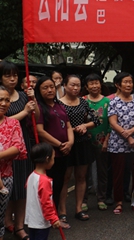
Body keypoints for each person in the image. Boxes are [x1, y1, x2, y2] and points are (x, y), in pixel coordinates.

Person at [1, 60, 39, 240]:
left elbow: (36, 115)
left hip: (22, 143)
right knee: (7, 187)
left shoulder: (24, 95)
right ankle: (6, 221)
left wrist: (33, 99)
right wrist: (24, 112)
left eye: (15, 75)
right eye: (7, 75)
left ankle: (19, 225)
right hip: (4, 145)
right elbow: (4, 120)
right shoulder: (1, 96)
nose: (12, 79)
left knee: (22, 186)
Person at [58, 75, 98, 223]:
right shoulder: (58, 104)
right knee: (65, 178)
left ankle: (79, 209)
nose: (75, 88)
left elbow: (95, 120)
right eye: (72, 85)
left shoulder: (83, 102)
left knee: (81, 177)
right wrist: (71, 131)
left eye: (78, 85)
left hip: (82, 143)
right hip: (66, 143)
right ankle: (62, 211)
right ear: (64, 85)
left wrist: (84, 126)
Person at [35, 76, 73, 224]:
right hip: (51, 154)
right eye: (45, 88)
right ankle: (47, 218)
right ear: (39, 90)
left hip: (64, 151)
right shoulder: (38, 107)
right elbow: (40, 131)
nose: (50, 90)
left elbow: (68, 125)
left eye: (51, 86)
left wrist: (70, 142)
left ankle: (55, 216)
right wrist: (60, 144)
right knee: (48, 187)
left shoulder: (59, 105)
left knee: (59, 185)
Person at [107, 72, 134, 215]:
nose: (129, 85)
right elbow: (113, 123)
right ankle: (118, 201)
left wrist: (131, 132)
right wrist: (128, 137)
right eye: (125, 82)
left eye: (130, 82)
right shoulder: (113, 102)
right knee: (118, 174)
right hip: (117, 144)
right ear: (118, 85)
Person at [0, 85, 27, 240]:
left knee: (0, 212)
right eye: (0, 100)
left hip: (5, 175)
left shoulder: (13, 123)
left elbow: (18, 147)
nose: (4, 103)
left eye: (7, 100)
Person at [25, 143, 60, 240]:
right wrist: (53, 218)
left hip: (32, 217)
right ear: (47, 159)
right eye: (53, 158)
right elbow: (46, 202)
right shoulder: (44, 181)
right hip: (41, 219)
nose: (54, 161)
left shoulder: (32, 176)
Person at [83, 74, 110, 210]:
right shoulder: (82, 101)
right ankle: (83, 201)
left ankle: (101, 199)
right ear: (86, 87)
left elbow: (110, 123)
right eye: (91, 83)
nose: (94, 86)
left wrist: (106, 141)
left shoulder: (107, 101)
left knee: (102, 171)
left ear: (101, 84)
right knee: (84, 173)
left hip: (102, 141)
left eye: (97, 83)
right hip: (85, 141)